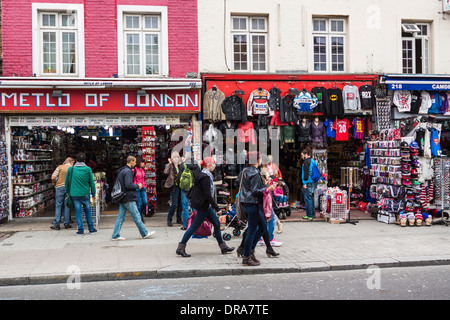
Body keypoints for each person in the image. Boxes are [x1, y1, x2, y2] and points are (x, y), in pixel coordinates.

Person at [176, 157, 234, 257]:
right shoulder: (205, 177)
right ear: (208, 165)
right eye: (214, 164)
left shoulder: (204, 174)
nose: (215, 166)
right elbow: (207, 194)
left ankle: (223, 247)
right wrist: (216, 207)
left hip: (206, 206)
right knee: (194, 227)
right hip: (204, 206)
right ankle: (181, 247)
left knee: (216, 223)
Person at [237, 151, 276, 266]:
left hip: (246, 202)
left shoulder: (245, 170)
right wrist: (268, 189)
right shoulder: (254, 172)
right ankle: (246, 256)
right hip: (252, 204)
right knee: (252, 231)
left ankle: (250, 251)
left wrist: (263, 184)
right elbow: (254, 191)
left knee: (263, 226)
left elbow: (247, 186)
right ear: (257, 160)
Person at [112, 156, 155, 241]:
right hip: (128, 197)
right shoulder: (128, 171)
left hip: (123, 197)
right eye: (134, 162)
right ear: (131, 161)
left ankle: (115, 235)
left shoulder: (122, 170)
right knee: (136, 216)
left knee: (121, 217)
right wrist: (137, 186)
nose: (135, 164)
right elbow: (128, 185)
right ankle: (144, 233)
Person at [65, 153, 97, 235]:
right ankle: (91, 228)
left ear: (76, 160)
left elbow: (67, 183)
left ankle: (80, 230)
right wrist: (93, 194)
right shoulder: (88, 169)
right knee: (88, 211)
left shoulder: (71, 169)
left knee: (78, 211)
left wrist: (68, 192)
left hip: (74, 194)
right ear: (84, 161)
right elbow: (92, 183)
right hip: (85, 193)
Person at [164, 151, 196, 228]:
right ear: (172, 158)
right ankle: (169, 219)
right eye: (174, 157)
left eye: (177, 157)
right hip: (174, 186)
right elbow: (165, 172)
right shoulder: (170, 166)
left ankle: (179, 218)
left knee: (180, 203)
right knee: (174, 203)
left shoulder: (180, 165)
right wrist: (169, 163)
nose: (176, 159)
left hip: (181, 186)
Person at [51, 157, 75, 230]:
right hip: (68, 188)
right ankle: (66, 223)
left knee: (58, 205)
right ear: (71, 162)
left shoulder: (60, 167)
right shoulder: (72, 168)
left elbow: (53, 177)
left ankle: (57, 224)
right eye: (73, 162)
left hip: (59, 187)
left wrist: (55, 184)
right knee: (67, 205)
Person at [301, 147, 318, 221]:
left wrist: (304, 183)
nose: (301, 157)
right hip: (314, 182)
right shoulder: (313, 161)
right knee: (311, 198)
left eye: (302, 155)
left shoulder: (306, 162)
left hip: (308, 182)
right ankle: (312, 214)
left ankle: (310, 215)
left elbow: (306, 174)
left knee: (308, 199)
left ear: (306, 154)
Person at [133, 157, 148, 222]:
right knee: (138, 204)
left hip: (143, 187)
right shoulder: (134, 170)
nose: (143, 163)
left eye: (143, 162)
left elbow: (144, 179)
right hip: (137, 188)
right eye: (142, 162)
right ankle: (140, 217)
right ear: (139, 163)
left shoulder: (144, 170)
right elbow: (132, 179)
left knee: (145, 202)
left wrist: (145, 186)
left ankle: (139, 213)